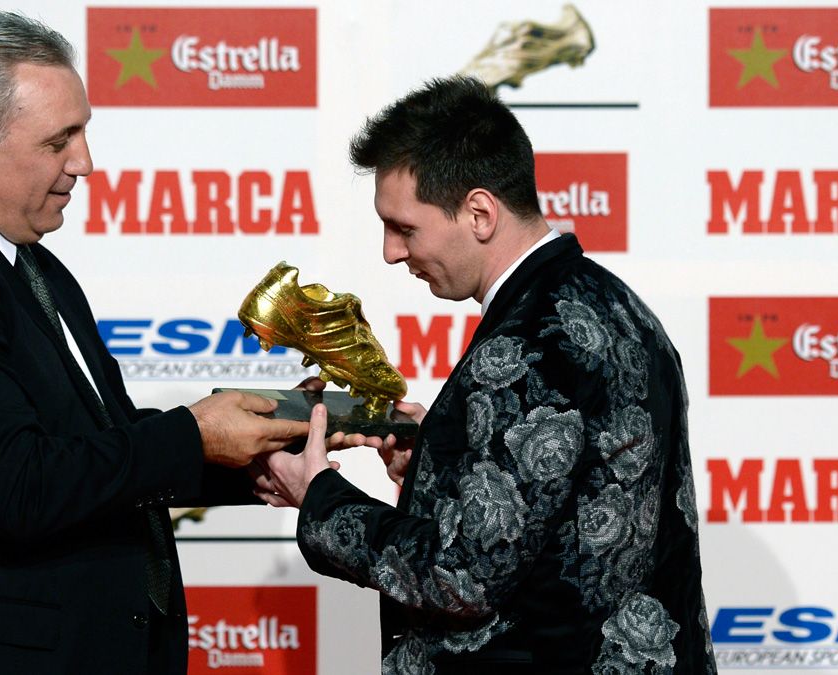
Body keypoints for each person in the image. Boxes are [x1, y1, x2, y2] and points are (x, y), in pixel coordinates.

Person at [0, 12, 308, 674]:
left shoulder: (24, 261)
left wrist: (265, 447)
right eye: (61, 140)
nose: (85, 163)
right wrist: (192, 436)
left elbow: (91, 449)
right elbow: (18, 484)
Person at [255, 76, 716, 673]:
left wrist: (318, 494)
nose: (391, 252)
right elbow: (558, 514)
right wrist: (437, 465)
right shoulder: (618, 306)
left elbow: (462, 577)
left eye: (405, 228)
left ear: (478, 212)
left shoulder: (527, 344)